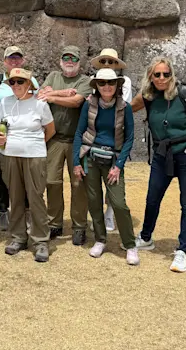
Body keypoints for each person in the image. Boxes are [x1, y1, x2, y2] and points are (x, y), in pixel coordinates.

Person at [130, 56, 186, 273]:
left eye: (166, 74)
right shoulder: (147, 97)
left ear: (171, 74)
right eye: (156, 74)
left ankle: (182, 251)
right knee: (152, 199)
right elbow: (126, 111)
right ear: (150, 76)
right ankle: (146, 237)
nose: (161, 78)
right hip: (161, 154)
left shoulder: (184, 93)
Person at [72, 69, 139, 266]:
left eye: (110, 83)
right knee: (93, 200)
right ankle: (100, 239)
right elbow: (79, 132)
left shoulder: (124, 107)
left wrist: (118, 166)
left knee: (118, 203)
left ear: (117, 85)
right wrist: (76, 162)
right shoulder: (89, 104)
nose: (106, 87)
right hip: (91, 158)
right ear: (96, 86)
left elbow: (129, 138)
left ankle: (130, 244)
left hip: (113, 159)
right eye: (102, 83)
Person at [0, 68, 55, 263]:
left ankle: (40, 240)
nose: (16, 86)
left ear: (29, 84)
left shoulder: (40, 104)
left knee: (35, 197)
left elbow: (50, 130)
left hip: (34, 156)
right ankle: (18, 237)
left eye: (20, 82)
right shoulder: (5, 102)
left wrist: (33, 145)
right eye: (13, 82)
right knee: (15, 197)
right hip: (9, 155)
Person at [37, 45, 91, 245]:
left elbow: (76, 101)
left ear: (79, 62)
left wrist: (52, 96)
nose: (70, 61)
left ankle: (79, 226)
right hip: (55, 138)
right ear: (60, 60)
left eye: (74, 58)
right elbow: (39, 95)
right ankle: (54, 223)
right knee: (52, 181)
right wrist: (63, 92)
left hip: (78, 140)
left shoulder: (85, 80)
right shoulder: (53, 75)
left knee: (78, 184)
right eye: (66, 57)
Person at [0, 46, 40, 231]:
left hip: (24, 135)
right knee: (2, 176)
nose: (14, 61)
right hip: (3, 131)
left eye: (17, 58)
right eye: (11, 58)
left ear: (22, 60)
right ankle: (3, 210)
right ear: (4, 61)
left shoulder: (32, 80)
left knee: (25, 177)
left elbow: (38, 100)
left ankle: (27, 211)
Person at [90, 48, 132, 232]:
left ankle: (110, 212)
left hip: (116, 137)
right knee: (93, 185)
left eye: (111, 62)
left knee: (113, 181)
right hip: (96, 135)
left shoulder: (125, 82)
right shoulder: (94, 80)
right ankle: (98, 218)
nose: (108, 64)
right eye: (104, 61)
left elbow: (122, 104)